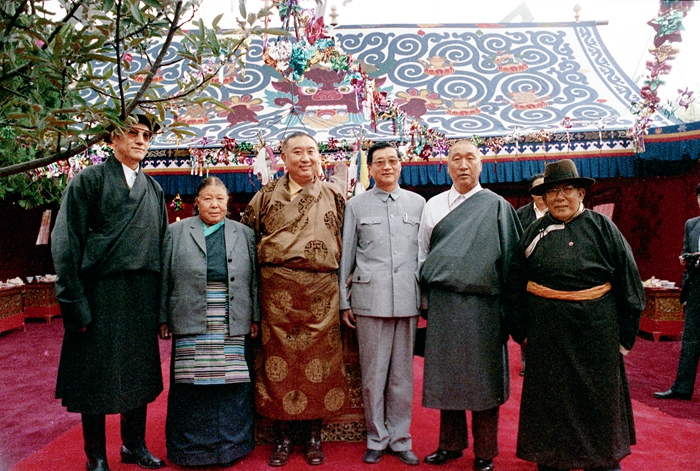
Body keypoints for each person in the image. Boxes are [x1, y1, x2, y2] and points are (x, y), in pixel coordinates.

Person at [507, 159, 645, 471]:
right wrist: (522, 333)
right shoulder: (532, 233)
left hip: (598, 340)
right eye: (552, 191)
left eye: (567, 189)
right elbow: (513, 287)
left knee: (598, 414)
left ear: (581, 193)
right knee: (551, 415)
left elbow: (630, 285)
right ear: (543, 197)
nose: (559, 197)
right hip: (548, 341)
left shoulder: (603, 228)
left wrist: (623, 341)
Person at [51, 114, 168, 471]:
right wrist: (74, 302)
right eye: (132, 133)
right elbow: (66, 243)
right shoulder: (89, 180)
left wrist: (161, 308)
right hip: (99, 294)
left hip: (141, 295)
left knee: (138, 374)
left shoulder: (153, 189)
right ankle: (96, 456)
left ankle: (134, 446)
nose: (140, 140)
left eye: (146, 135)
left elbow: (162, 249)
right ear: (112, 138)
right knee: (95, 378)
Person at [241, 131, 348, 467]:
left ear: (319, 157)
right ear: (283, 158)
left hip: (321, 292)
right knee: (277, 364)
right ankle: (283, 437)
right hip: (277, 294)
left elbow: (347, 243)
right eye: (297, 152)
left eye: (311, 151)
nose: (305, 158)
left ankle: (314, 436)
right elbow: (247, 242)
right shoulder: (265, 196)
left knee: (321, 364)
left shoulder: (333, 194)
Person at [418, 140, 522, 471]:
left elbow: (512, 264)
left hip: (485, 305)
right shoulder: (433, 206)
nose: (463, 165)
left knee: (484, 380)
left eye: (470, 159)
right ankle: (449, 445)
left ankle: (485, 452)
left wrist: (510, 312)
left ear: (481, 164)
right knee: (446, 376)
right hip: (444, 303)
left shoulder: (497, 206)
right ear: (446, 165)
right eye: (456, 159)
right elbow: (422, 255)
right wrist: (425, 301)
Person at [160, 177, 259, 466]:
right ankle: (190, 450)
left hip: (231, 315)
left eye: (220, 198)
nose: (214, 204)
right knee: (191, 384)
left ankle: (231, 447)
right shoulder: (175, 232)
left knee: (232, 384)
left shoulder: (244, 233)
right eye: (208, 198)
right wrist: (162, 317)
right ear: (196, 203)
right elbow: (164, 277)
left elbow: (254, 280)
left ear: (228, 202)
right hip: (190, 315)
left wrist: (254, 316)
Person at [339, 142, 425, 466]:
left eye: (392, 161)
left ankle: (400, 439)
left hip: (406, 299)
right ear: (371, 168)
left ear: (401, 165)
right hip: (369, 301)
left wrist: (424, 300)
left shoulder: (418, 204)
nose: (387, 167)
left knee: (402, 376)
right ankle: (376, 438)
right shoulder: (356, 205)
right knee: (373, 376)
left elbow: (424, 255)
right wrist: (342, 301)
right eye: (380, 162)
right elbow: (347, 256)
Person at [654, 182, 700, 401]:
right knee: (690, 340)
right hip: (696, 288)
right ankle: (682, 388)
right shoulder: (691, 225)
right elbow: (685, 252)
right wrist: (686, 260)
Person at [515, 172, 546, 376]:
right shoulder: (520, 215)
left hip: (552, 278)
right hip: (527, 277)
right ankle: (527, 364)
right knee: (528, 322)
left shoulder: (560, 211)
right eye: (537, 189)